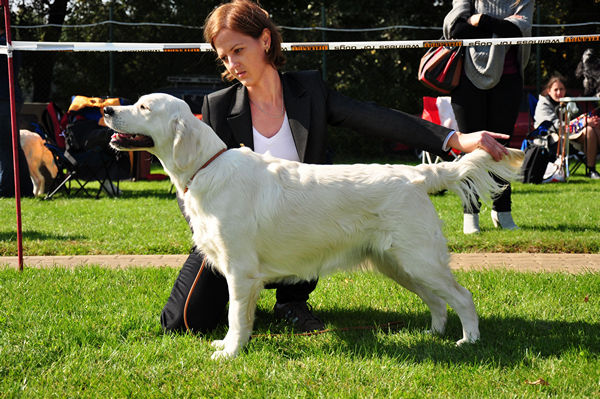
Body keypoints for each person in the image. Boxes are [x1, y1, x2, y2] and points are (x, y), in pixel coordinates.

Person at [160, 0, 512, 334]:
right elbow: (192, 179)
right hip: (232, 236)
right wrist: (206, 228)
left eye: (239, 50)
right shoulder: (218, 106)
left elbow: (376, 118)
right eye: (224, 57)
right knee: (184, 322)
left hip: (308, 227)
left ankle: (290, 303)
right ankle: (246, 299)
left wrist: (454, 139)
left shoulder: (309, 90)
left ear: (265, 41)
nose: (232, 64)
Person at [444, 0, 534, 234]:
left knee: (501, 149)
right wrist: (499, 27)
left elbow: (518, 30)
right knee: (472, 152)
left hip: (509, 82)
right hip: (467, 81)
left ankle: (502, 211)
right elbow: (456, 30)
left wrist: (481, 21)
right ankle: (470, 216)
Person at [534, 73, 600, 179]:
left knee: (592, 128)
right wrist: (582, 122)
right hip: (552, 139)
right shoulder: (543, 105)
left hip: (571, 136)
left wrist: (588, 120)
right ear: (548, 91)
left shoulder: (569, 102)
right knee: (589, 129)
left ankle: (591, 170)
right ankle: (591, 170)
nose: (559, 92)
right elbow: (556, 126)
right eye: (556, 90)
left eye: (562, 89)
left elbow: (577, 119)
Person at [0, 24, 33, 198]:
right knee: (12, 147)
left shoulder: (4, 43)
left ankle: (5, 190)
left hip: (4, 100)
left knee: (5, 147)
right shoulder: (9, 42)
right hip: (9, 98)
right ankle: (25, 190)